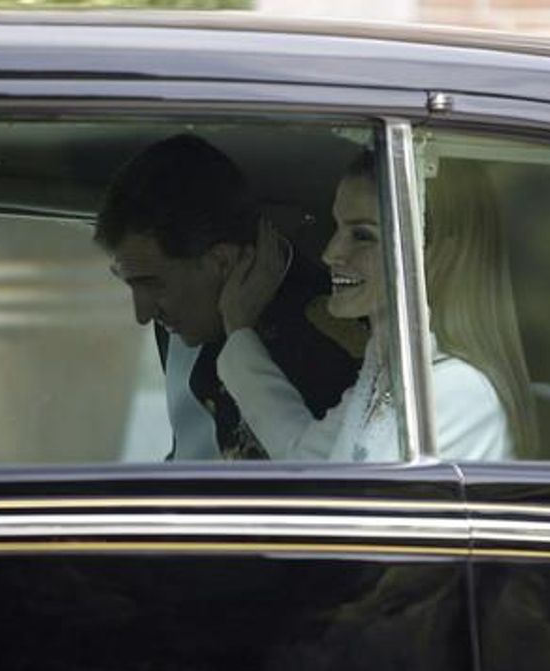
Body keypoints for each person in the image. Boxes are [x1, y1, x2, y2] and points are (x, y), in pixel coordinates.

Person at [217, 150, 537, 461]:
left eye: (362, 235)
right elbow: (303, 454)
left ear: (435, 254)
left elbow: (349, 508)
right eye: (338, 228)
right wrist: (238, 328)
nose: (331, 253)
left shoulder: (455, 391)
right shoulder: (383, 376)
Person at [94, 134, 359, 460]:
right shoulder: (177, 320)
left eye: (153, 284)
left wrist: (239, 335)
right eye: (131, 284)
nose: (143, 313)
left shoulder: (327, 337)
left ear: (221, 261)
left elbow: (312, 475)